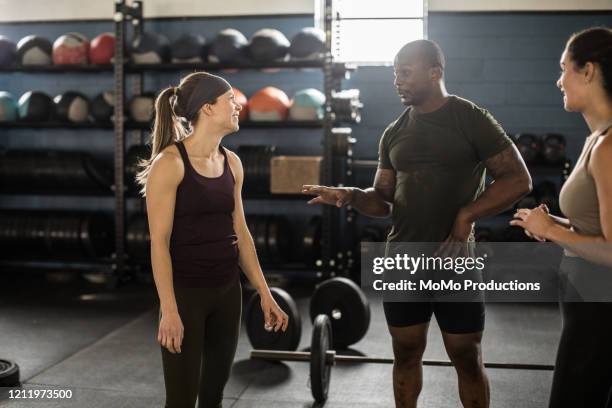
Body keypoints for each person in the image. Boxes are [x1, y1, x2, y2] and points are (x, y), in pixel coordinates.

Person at [303, 39, 532, 408]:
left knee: (466, 356)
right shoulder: (393, 132)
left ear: (435, 72)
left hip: (454, 258)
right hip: (404, 260)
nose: (397, 81)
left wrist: (465, 216)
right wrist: (351, 195)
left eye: (405, 72)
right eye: (395, 74)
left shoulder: (470, 118)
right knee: (406, 353)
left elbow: (518, 179)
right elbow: (382, 200)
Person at [136, 71, 289, 408]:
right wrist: (170, 311)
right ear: (207, 108)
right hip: (185, 297)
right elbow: (158, 244)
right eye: (230, 101)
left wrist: (264, 293)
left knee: (213, 397)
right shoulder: (170, 164)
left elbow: (242, 233)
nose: (237, 107)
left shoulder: (231, 162)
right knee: (180, 400)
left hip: (226, 294)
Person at [511, 27, 612, 408]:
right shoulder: (595, 140)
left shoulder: (608, 147)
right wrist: (554, 227)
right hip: (588, 306)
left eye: (563, 69)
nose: (558, 80)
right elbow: (597, 229)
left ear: (588, 70)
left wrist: (552, 229)